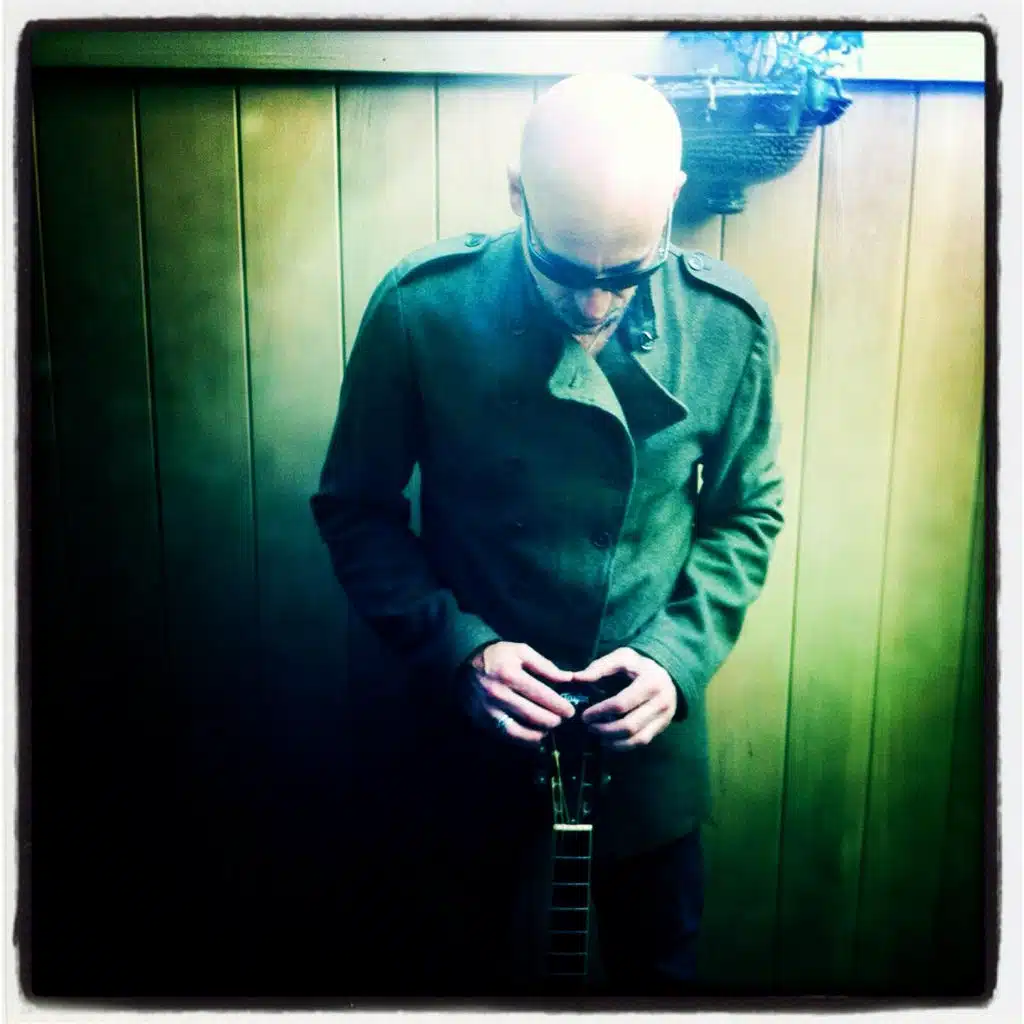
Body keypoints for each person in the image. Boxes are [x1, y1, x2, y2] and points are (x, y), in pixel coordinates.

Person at [311, 71, 784, 996]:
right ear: (516, 193)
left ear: (672, 201)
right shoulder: (422, 308)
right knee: (446, 983)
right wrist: (457, 649)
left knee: (659, 981)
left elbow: (747, 512)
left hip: (641, 740)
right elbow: (355, 507)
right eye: (566, 270)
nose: (595, 306)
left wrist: (676, 661)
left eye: (626, 274)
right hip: (463, 732)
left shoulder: (727, 325)